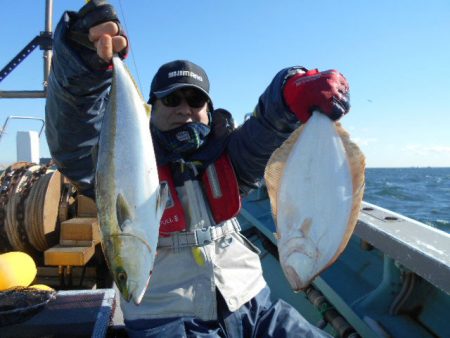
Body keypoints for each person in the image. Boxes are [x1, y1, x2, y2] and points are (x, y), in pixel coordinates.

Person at [45, 1, 350, 337]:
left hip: (255, 305)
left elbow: (268, 126)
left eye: (195, 100)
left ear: (209, 109)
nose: (184, 110)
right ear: (151, 108)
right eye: (171, 100)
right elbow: (75, 138)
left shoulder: (231, 157)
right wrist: (83, 63)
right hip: (166, 318)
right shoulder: (122, 161)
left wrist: (292, 88)